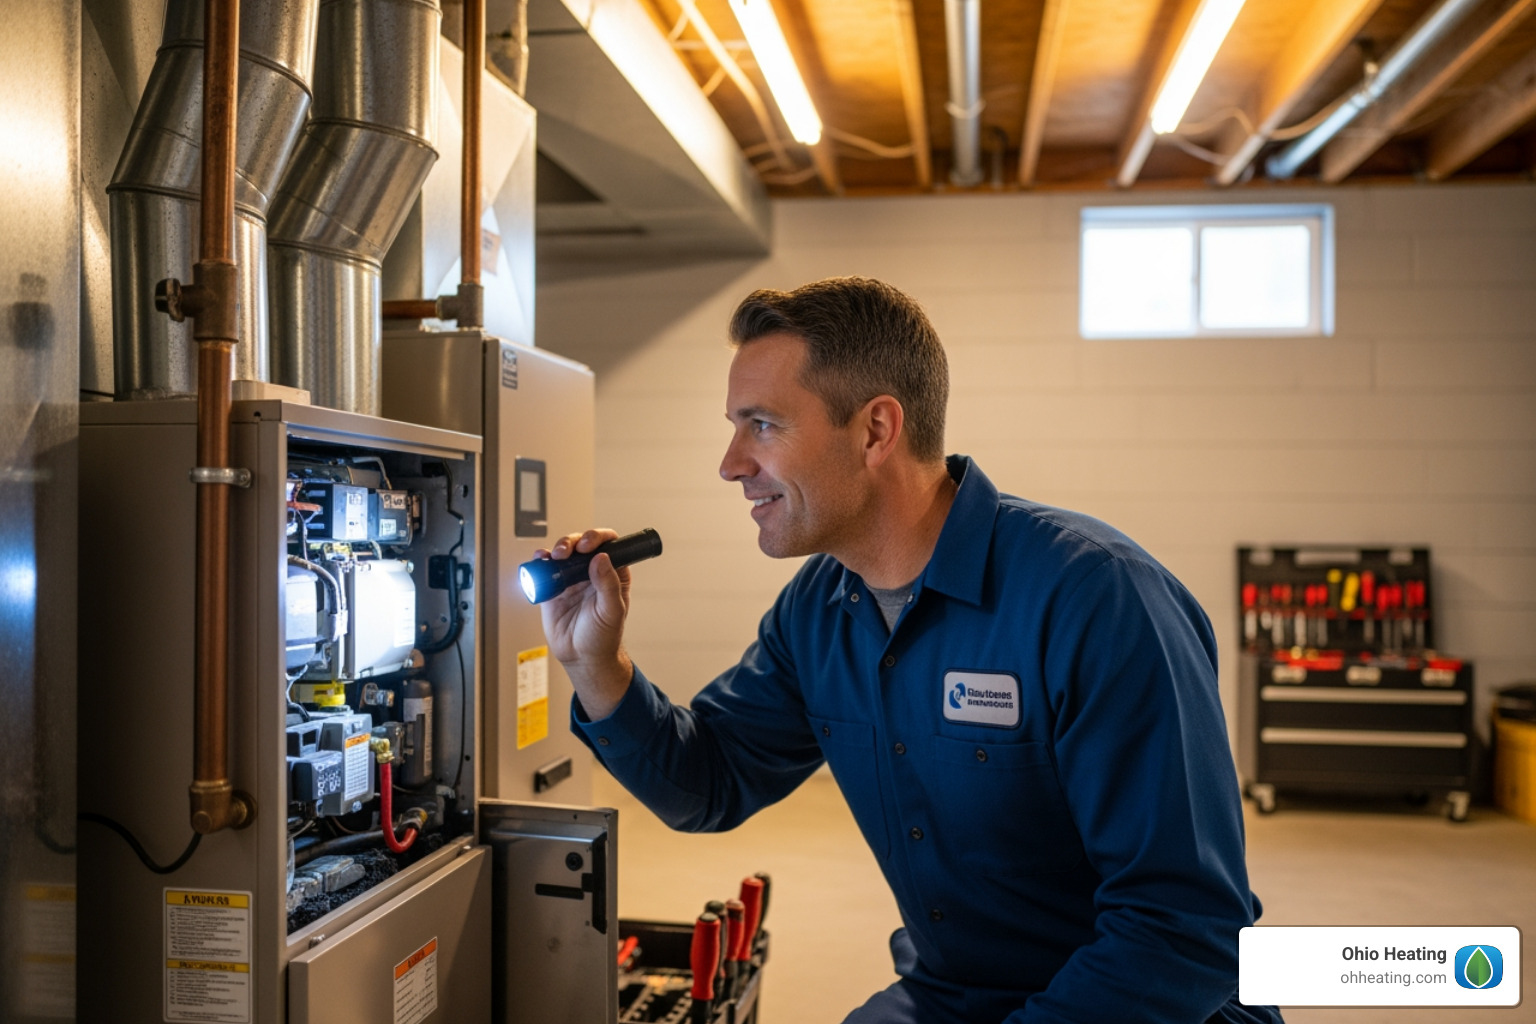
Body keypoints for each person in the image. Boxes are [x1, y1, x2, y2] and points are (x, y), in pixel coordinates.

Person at [537, 277, 1282, 1024]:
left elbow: (1183, 928)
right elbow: (709, 783)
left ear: (875, 431)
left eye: (761, 425)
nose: (730, 463)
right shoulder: (820, 608)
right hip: (958, 995)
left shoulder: (1098, 599)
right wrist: (594, 665)